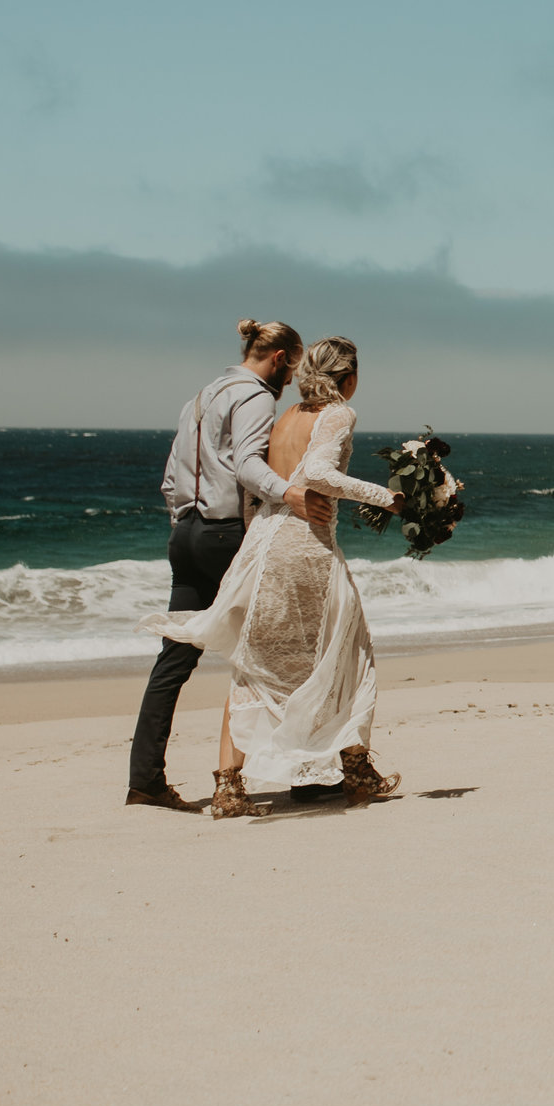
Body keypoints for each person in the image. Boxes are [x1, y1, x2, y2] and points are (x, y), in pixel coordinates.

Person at [141, 336, 403, 818]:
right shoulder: (339, 414)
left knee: (256, 665)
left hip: (262, 542)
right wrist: (389, 499)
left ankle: (229, 787)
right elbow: (322, 474)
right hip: (304, 547)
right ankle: (356, 772)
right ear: (349, 377)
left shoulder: (285, 417)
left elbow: (253, 480)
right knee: (347, 653)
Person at [126, 319, 333, 811]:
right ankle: (304, 779)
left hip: (187, 533)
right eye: (293, 367)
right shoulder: (256, 396)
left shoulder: (198, 398)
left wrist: (183, 524)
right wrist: (292, 494)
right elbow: (246, 464)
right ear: (280, 358)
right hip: (226, 536)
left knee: (173, 660)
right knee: (280, 648)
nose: (291, 382)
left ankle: (145, 779)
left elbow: (170, 480)